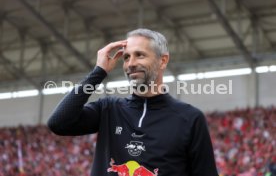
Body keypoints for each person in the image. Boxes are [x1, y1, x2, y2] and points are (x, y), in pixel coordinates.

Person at [47, 28, 218, 176]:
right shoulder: (108, 109)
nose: (131, 64)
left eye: (140, 55)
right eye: (126, 57)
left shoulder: (189, 118)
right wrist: (98, 72)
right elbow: (58, 123)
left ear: (163, 61)